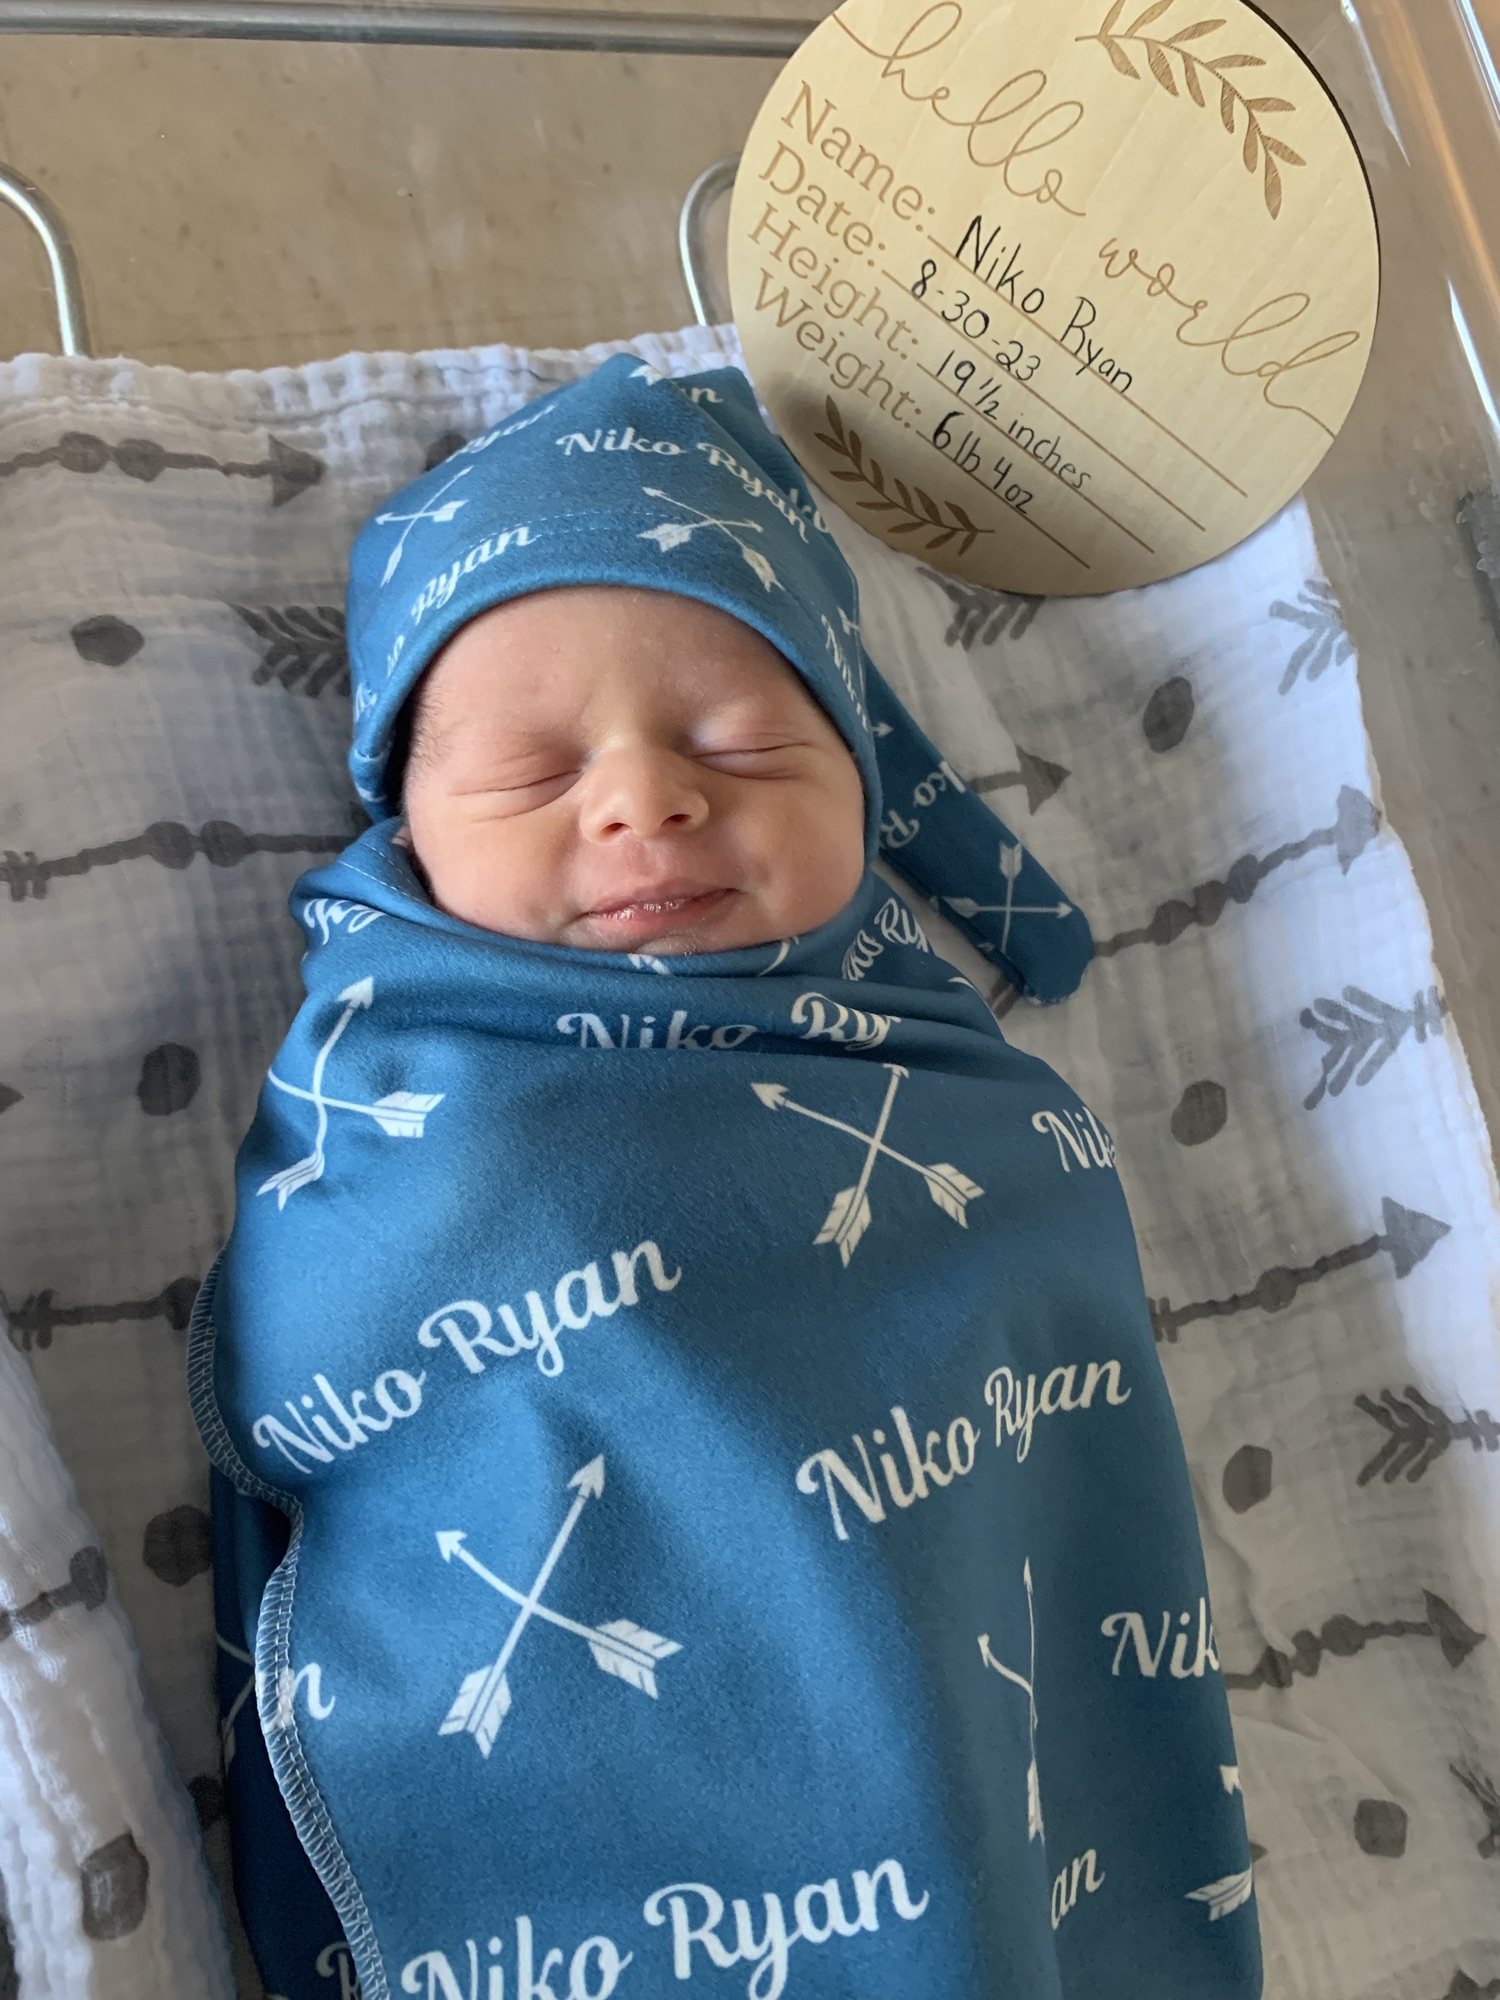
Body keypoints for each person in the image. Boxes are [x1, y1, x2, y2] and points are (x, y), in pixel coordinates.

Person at [196, 353, 1261, 2000]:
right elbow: (319, 1352)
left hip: (959, 1749)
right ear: (403, 830)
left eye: (743, 745)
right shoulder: (409, 1072)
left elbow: (1055, 1400)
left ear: (866, 790)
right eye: (535, 772)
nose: (646, 798)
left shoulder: (965, 1099)